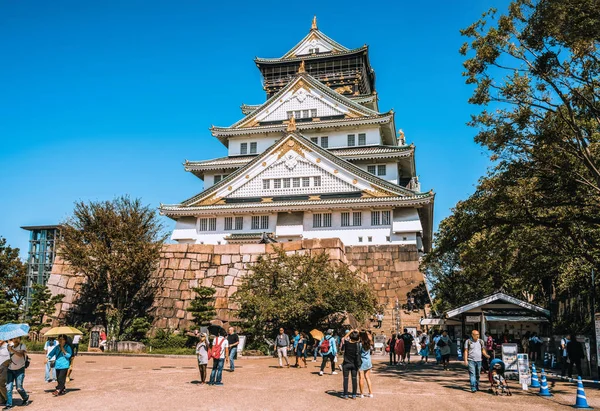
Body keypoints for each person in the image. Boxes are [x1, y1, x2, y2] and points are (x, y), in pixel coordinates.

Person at [6, 337, 29, 408]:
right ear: (12, 339)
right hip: (10, 369)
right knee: (9, 388)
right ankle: (9, 405)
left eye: (17, 338)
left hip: (20, 369)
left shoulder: (22, 346)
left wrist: (12, 350)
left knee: (19, 388)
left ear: (20, 339)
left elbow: (20, 354)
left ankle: (25, 397)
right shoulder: (10, 347)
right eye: (14, 338)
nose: (15, 340)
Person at [340, 330, 361, 399]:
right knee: (354, 379)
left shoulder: (347, 343)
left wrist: (350, 331)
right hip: (354, 364)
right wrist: (358, 332)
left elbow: (344, 338)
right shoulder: (357, 344)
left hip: (346, 363)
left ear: (350, 337)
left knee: (345, 379)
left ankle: (345, 394)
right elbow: (359, 338)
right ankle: (354, 394)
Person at [358, 330, 373, 398]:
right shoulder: (368, 343)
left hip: (362, 361)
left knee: (361, 378)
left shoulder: (360, 344)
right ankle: (370, 393)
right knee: (367, 377)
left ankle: (361, 393)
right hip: (368, 361)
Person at [0, 341, 9, 406]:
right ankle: (2, 399)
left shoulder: (8, 346)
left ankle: (8, 399)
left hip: (4, 367)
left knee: (1, 383)